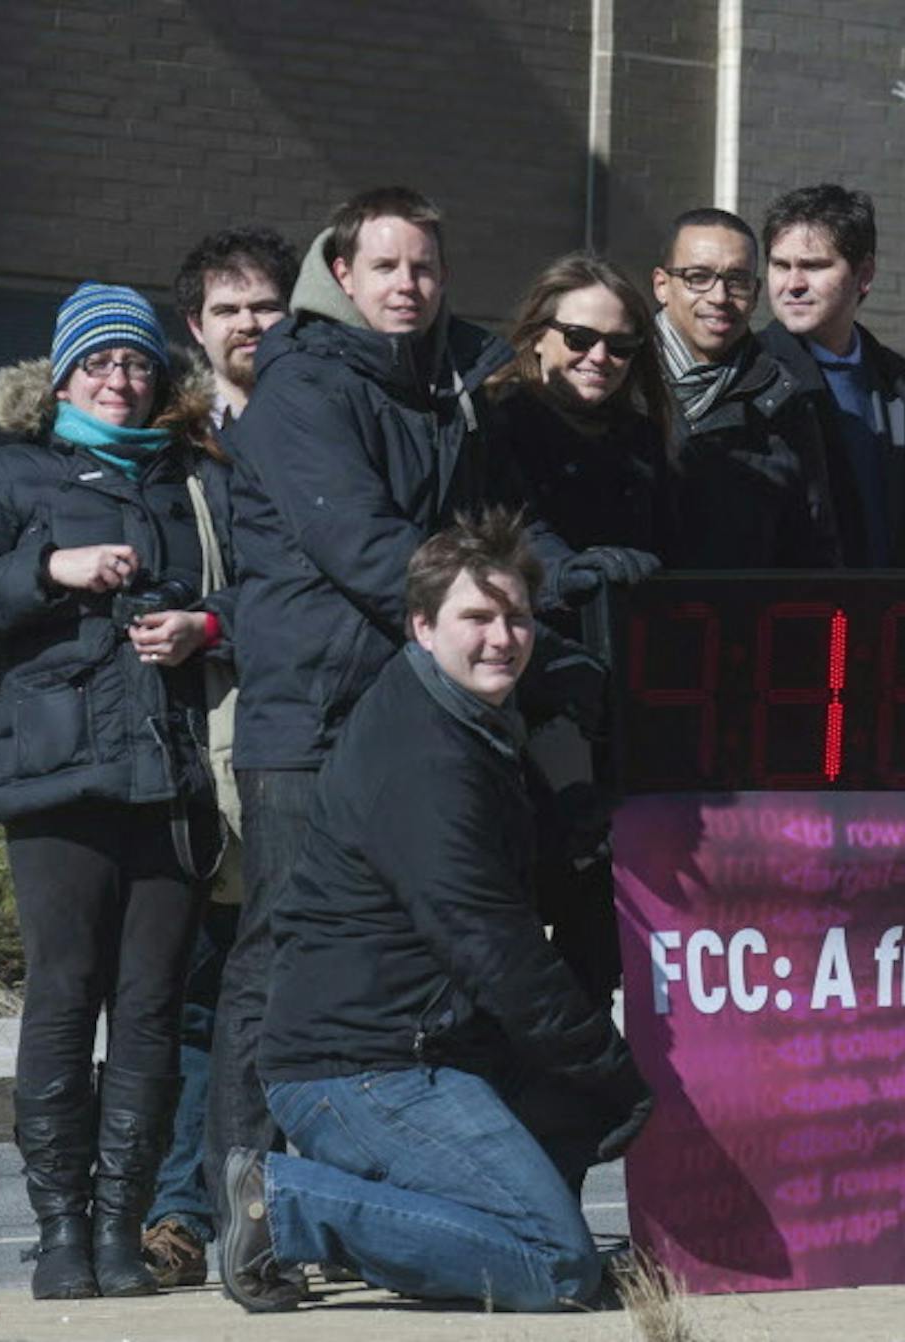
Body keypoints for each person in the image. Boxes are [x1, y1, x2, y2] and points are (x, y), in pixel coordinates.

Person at [213, 188, 652, 1216]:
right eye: (385, 267)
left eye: (423, 268)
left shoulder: (449, 387)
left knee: (433, 955)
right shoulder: (301, 390)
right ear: (343, 278)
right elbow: (364, 548)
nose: (406, 285)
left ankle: (373, 1194)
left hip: (418, 715)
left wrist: (568, 569)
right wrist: (514, 603)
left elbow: (491, 528)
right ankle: (242, 1191)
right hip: (313, 724)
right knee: (278, 957)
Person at [217, 511, 654, 1313]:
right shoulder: (424, 758)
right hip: (362, 1071)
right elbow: (489, 938)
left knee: (573, 1110)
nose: (503, 639)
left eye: (517, 617)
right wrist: (610, 1066)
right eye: (477, 619)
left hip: (430, 1047)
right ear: (422, 626)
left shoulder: (461, 717)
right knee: (556, 1263)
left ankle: (403, 1218)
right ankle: (285, 1206)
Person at [0, 285, 225, 1299]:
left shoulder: (193, 478)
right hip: (56, 779)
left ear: (159, 378)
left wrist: (201, 627)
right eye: (98, 361)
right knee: (63, 996)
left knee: (149, 1010)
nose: (119, 378)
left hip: (172, 779)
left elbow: (251, 589)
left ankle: (118, 1228)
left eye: (137, 363)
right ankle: (59, 1230)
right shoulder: (13, 473)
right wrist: (47, 567)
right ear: (58, 377)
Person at [138, 225, 297, 1290]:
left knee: (265, 985)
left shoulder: (325, 425)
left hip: (287, 750)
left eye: (267, 305)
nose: (250, 323)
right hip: (181, 751)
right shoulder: (165, 450)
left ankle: (265, 1206)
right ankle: (177, 1214)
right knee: (192, 992)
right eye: (229, 308)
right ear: (196, 328)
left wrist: (218, 620)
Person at [485, 251, 674, 1011]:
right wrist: (566, 574)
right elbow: (503, 531)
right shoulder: (495, 424)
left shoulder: (642, 444)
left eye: (622, 346)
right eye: (580, 338)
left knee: (601, 941)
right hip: (523, 697)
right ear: (537, 336)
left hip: (619, 708)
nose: (600, 358)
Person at [651, 207, 840, 568]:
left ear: (754, 294)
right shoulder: (617, 375)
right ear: (662, 285)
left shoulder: (785, 399)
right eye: (698, 277)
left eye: (736, 280)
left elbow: (814, 549)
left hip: (742, 620)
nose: (719, 297)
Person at [759, 183, 905, 567]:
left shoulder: (904, 386)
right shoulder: (748, 376)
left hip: (882, 619)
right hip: (789, 618)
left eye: (814, 265)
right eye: (780, 265)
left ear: (864, 274)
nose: (793, 284)